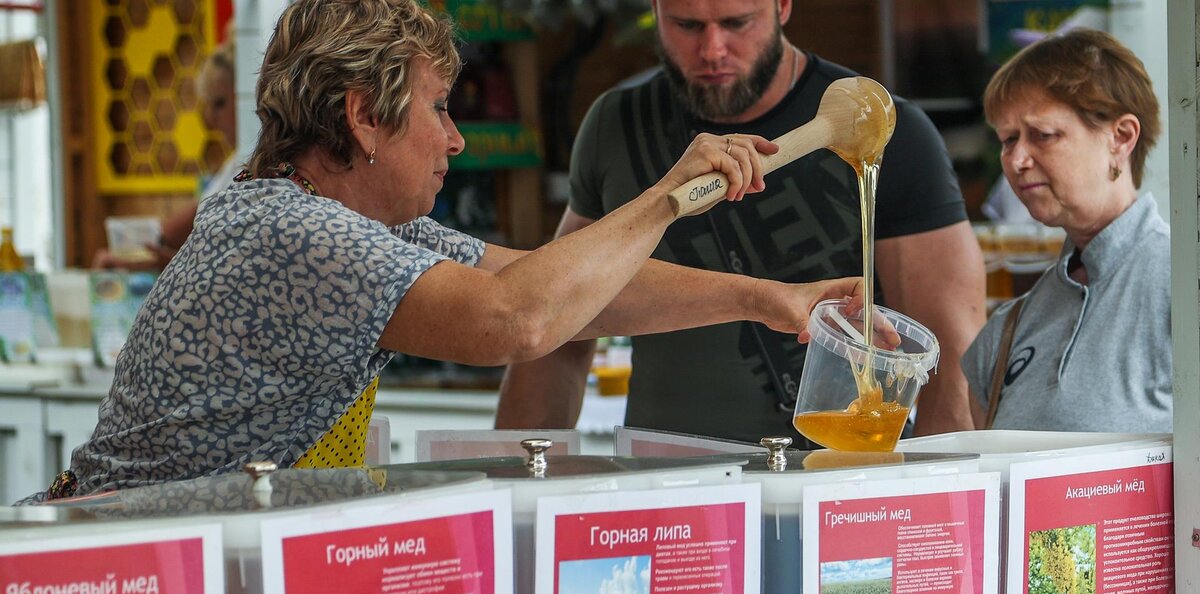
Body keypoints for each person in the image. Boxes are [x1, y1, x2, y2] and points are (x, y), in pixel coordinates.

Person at [20, 0, 872, 501]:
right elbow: (516, 321)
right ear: (364, 118)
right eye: (437, 108)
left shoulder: (365, 225)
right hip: (117, 566)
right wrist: (666, 196)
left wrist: (769, 299)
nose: (456, 139)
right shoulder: (290, 232)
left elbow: (571, 294)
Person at [495, 0, 985, 444]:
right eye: (686, 25)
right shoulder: (617, 125)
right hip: (661, 472)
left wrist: (943, 498)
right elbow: (558, 325)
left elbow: (952, 361)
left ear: (782, 7)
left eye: (736, 23)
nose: (712, 49)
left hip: (833, 477)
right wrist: (516, 471)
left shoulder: (888, 133)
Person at [961, 28, 1170, 432]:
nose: (1017, 160)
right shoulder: (1006, 331)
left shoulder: (1183, 289)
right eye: (1008, 139)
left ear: (1121, 138)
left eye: (1043, 135)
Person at [93, 39, 239, 270]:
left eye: (220, 103)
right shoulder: (236, 161)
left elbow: (187, 227)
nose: (211, 118)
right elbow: (186, 225)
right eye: (208, 105)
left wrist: (161, 259)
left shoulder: (253, 162)